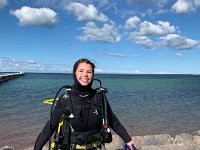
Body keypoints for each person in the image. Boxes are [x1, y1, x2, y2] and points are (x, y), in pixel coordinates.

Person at [34, 58, 136, 150]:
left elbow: (113, 121)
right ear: (74, 73)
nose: (85, 75)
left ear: (93, 75)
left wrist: (128, 140)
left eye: (89, 72)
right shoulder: (65, 100)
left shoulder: (99, 97)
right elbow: (49, 129)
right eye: (81, 71)